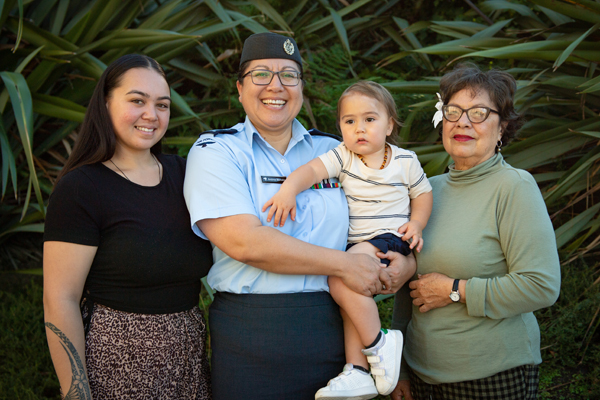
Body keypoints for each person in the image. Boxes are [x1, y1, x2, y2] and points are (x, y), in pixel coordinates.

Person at [183, 32, 416, 400]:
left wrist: (405, 263)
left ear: (301, 89)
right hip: (250, 335)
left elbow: (387, 214)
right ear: (240, 88)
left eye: (289, 75)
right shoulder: (216, 151)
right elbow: (245, 242)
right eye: (261, 74)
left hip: (337, 330)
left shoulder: (338, 153)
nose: (276, 86)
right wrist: (344, 264)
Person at [43, 54, 212, 399]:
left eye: (162, 105)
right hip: (118, 363)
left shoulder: (186, 174)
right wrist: (77, 393)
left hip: (190, 362)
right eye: (137, 101)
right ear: (105, 104)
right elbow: (60, 298)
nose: (151, 114)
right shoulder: (81, 188)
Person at [390, 63, 561, 400]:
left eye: (480, 112)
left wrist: (455, 289)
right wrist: (400, 367)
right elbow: (406, 289)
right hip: (422, 376)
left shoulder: (514, 187)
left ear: (502, 128)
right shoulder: (425, 192)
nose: (463, 122)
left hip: (491, 377)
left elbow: (541, 286)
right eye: (453, 111)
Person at [262, 80, 432, 399]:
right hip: (357, 246)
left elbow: (422, 194)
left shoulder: (404, 160)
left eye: (370, 119)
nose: (359, 129)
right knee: (347, 295)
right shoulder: (343, 157)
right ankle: (358, 371)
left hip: (393, 238)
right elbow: (309, 172)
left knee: (343, 274)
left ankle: (380, 343)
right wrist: (287, 190)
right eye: (349, 121)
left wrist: (417, 225)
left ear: (390, 124)